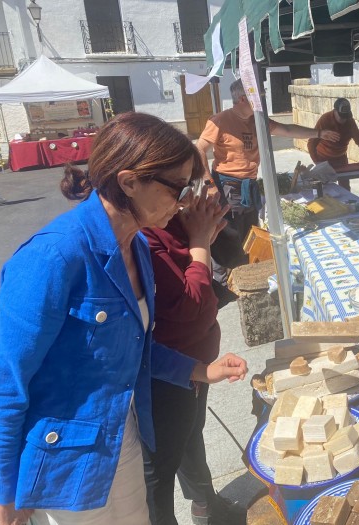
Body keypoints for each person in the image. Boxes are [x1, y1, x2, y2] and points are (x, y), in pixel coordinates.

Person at [0, 112, 249, 525]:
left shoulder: (137, 248)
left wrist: (202, 371)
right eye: (177, 187)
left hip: (122, 439)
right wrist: (4, 494)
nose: (186, 198)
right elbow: (6, 382)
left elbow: (139, 348)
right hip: (65, 465)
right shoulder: (53, 257)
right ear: (130, 181)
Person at [141, 182, 244, 525]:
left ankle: (203, 504)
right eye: (182, 187)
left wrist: (202, 237)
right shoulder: (142, 235)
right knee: (161, 464)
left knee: (191, 432)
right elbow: (191, 303)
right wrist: (199, 241)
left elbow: (193, 269)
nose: (193, 198)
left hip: (196, 362)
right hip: (167, 368)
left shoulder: (169, 219)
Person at [196, 79, 340, 296]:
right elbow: (199, 150)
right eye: (259, 94)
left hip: (249, 185)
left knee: (248, 235)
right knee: (227, 235)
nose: (263, 97)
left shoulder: (258, 119)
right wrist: (210, 184)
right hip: (227, 186)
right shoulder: (220, 120)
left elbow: (287, 129)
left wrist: (318, 133)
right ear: (244, 98)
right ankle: (221, 284)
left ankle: (244, 283)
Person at [307, 98, 359, 191]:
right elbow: (311, 143)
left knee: (345, 186)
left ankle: (345, 204)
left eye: (346, 116)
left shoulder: (350, 121)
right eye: (341, 116)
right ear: (335, 111)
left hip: (341, 158)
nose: (343, 120)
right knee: (324, 186)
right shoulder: (325, 119)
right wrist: (317, 162)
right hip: (323, 158)